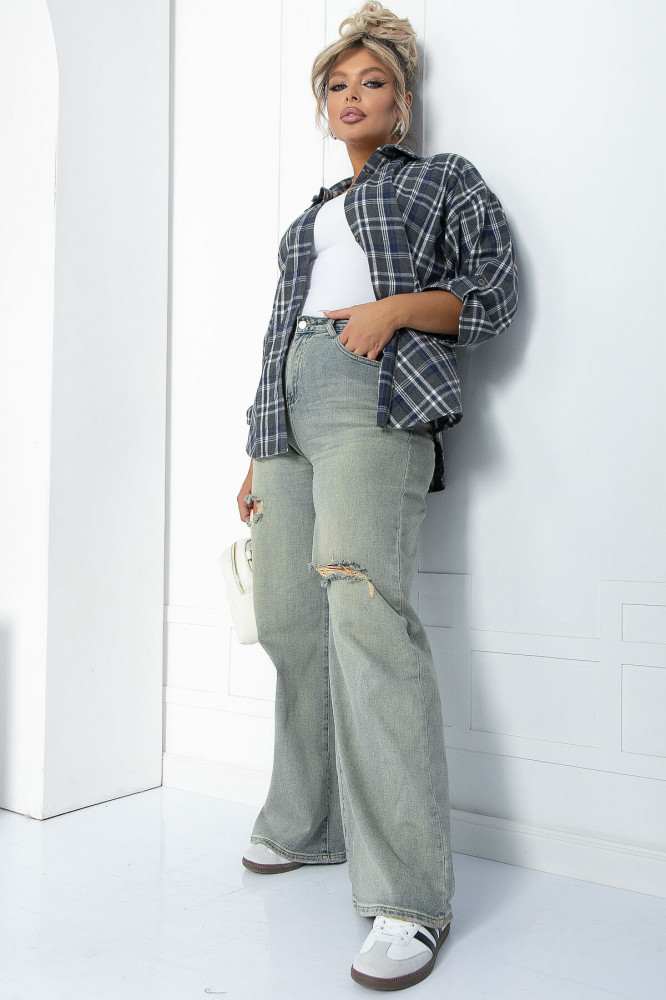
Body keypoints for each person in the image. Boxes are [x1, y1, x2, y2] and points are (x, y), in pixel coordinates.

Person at [236, 2, 517, 990]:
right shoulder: (304, 221)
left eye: (373, 83)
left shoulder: (443, 181)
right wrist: (257, 447)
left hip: (375, 393)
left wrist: (394, 309)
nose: (352, 97)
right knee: (288, 619)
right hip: (287, 415)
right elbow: (278, 334)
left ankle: (409, 897)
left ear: (402, 103)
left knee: (365, 614)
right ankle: (307, 822)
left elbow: (493, 292)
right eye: (337, 85)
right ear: (323, 106)